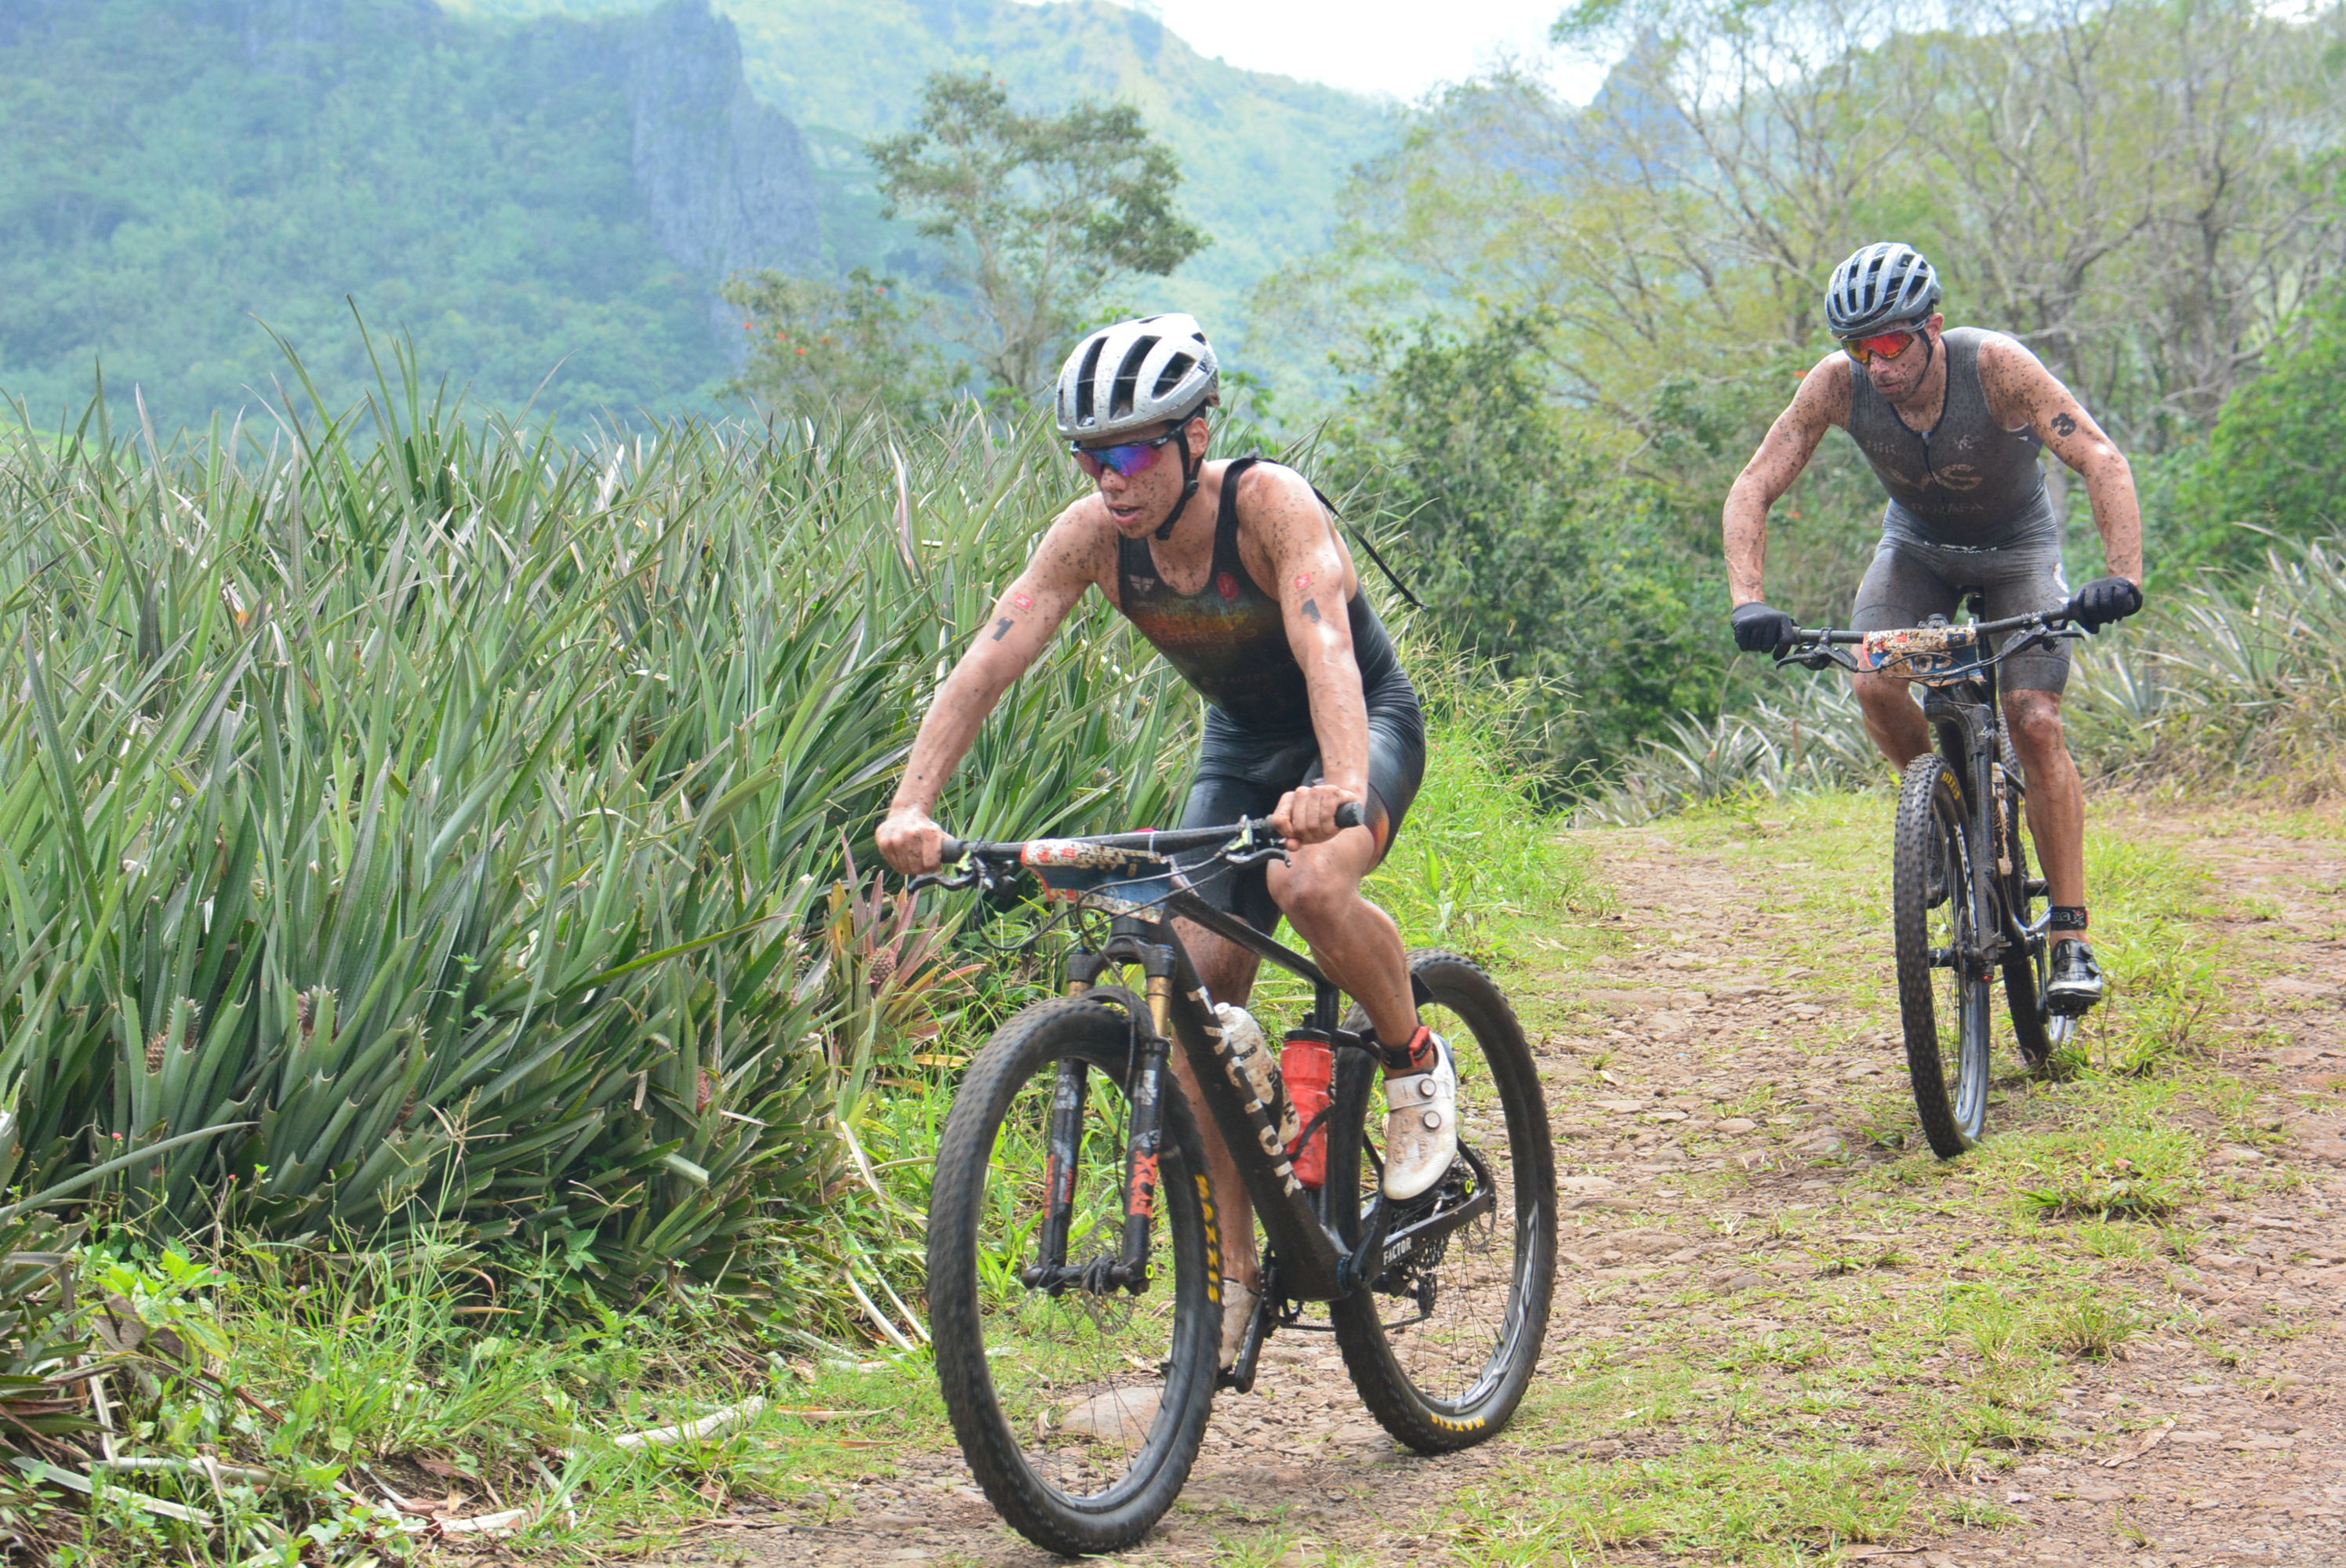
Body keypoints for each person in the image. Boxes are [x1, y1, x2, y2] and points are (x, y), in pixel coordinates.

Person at [876, 313, 1451, 1367]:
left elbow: (1326, 647)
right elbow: (988, 662)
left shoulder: (1269, 506)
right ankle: (1235, 1285)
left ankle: (1416, 1060)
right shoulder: (1092, 539)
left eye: (1136, 449)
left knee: (1313, 889)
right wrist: (913, 807)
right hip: (1239, 749)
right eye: (1094, 455)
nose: (1112, 477)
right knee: (1188, 996)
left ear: (1195, 436)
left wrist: (1339, 787)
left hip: (1358, 723)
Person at [1721, 242, 2145, 1012]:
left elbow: (2100, 458)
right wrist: (1748, 598)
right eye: (1859, 345)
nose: (1875, 362)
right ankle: (1941, 816)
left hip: (2017, 549)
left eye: (1891, 342)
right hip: (1915, 551)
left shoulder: (1997, 368)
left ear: (1933, 327)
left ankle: (2070, 936)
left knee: (2035, 720)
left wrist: (2121, 576)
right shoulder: (1835, 385)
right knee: (1873, 683)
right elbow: (1753, 484)